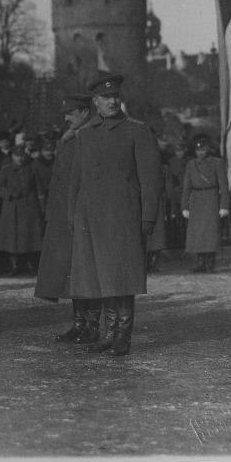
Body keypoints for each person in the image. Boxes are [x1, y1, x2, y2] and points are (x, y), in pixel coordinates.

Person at [68, 74, 162, 356]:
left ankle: (123, 334)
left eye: (115, 96)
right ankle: (108, 333)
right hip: (92, 219)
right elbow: (77, 179)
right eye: (106, 97)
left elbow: (151, 179)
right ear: (95, 102)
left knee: (123, 276)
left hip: (124, 217)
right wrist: (73, 215)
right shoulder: (84, 135)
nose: (112, 101)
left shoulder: (137, 131)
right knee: (101, 277)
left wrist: (148, 217)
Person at [35, 94, 102, 345]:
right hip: (63, 213)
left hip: (83, 212)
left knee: (86, 270)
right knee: (69, 272)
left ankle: (93, 325)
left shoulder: (93, 135)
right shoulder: (68, 139)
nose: (66, 117)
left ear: (85, 112)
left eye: (71, 112)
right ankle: (79, 324)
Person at [181, 138, 230, 273]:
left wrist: (224, 205)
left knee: (210, 233)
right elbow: (186, 187)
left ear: (208, 149)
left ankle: (210, 262)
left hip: (211, 199)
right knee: (197, 234)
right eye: (198, 150)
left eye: (203, 149)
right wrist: (184, 206)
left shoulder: (217, 163)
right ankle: (199, 262)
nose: (200, 152)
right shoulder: (191, 164)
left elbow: (224, 186)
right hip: (196, 201)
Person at [0, 146, 44, 275]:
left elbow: (39, 188)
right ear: (12, 156)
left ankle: (31, 266)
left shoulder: (31, 168)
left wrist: (42, 207)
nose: (20, 158)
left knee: (30, 238)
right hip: (12, 208)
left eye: (22, 156)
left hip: (29, 208)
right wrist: (8, 193)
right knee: (13, 239)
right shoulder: (5, 170)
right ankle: (15, 266)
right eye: (17, 156)